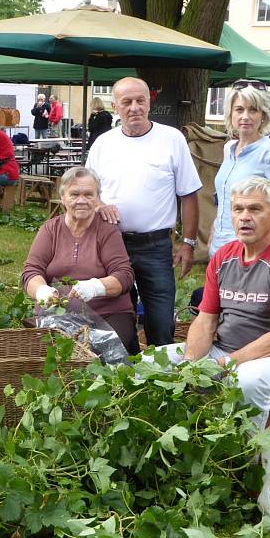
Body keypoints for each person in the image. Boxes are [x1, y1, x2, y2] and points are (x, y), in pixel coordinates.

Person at [183, 177, 270, 427]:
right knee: (154, 362)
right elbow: (205, 321)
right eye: (238, 209)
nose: (245, 217)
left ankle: (247, 455)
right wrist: (190, 364)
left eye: (255, 209)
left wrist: (224, 365)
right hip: (224, 350)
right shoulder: (224, 256)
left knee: (245, 380)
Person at [85, 77, 201, 346]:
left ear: (150, 102)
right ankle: (129, 375)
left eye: (141, 100)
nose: (134, 107)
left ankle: (162, 378)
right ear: (115, 106)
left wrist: (188, 244)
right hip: (112, 243)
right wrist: (99, 204)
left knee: (161, 321)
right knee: (119, 318)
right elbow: (88, 191)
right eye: (127, 102)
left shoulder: (171, 139)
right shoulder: (104, 144)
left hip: (156, 245)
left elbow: (189, 194)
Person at [22, 167, 138, 353]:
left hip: (108, 315)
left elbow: (124, 276)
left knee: (106, 354)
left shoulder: (107, 231)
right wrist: (42, 291)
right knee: (51, 356)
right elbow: (31, 271)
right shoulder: (50, 229)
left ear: (97, 198)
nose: (81, 200)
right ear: (63, 198)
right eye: (74, 194)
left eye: (88, 194)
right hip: (58, 313)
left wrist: (96, 287)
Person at [210, 79, 270, 255]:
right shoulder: (229, 149)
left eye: (253, 110)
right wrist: (211, 240)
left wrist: (262, 250)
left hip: (251, 256)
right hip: (220, 252)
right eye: (239, 109)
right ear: (230, 113)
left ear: (263, 115)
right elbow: (224, 202)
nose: (245, 116)